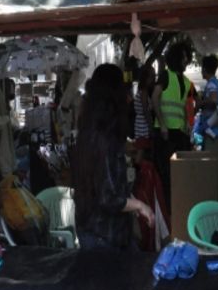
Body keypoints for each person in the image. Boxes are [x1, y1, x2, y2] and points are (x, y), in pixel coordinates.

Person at [72, 63, 154, 250]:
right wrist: (140, 206)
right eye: (124, 90)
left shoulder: (90, 131)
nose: (128, 98)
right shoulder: (103, 139)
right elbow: (108, 198)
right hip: (104, 236)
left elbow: (106, 187)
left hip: (95, 230)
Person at [153, 42, 195, 208]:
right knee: (166, 177)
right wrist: (162, 124)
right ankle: (168, 212)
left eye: (187, 57)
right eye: (184, 57)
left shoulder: (187, 82)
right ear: (177, 58)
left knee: (179, 176)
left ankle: (177, 210)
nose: (186, 60)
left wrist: (188, 123)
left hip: (179, 135)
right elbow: (154, 98)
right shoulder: (165, 75)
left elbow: (189, 105)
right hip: (165, 134)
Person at [194, 54, 218, 155]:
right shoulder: (217, 83)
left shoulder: (211, 84)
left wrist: (201, 102)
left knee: (211, 165)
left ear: (204, 69)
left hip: (214, 134)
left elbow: (214, 99)